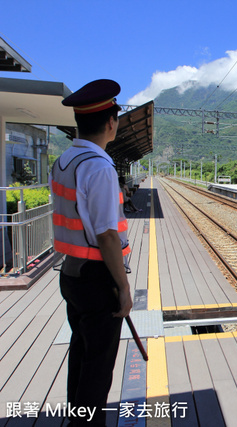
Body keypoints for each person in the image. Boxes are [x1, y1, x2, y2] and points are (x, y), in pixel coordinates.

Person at [49, 79, 132, 426]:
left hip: (71, 273)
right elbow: (107, 236)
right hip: (97, 279)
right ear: (111, 122)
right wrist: (124, 289)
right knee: (98, 371)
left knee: (82, 357)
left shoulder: (65, 160)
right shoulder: (98, 167)